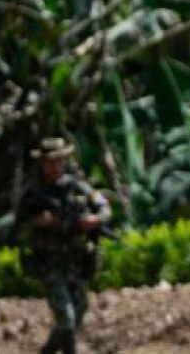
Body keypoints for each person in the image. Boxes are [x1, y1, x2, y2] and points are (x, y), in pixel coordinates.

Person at [15, 136, 112, 354]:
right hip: (49, 262)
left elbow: (104, 207)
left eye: (59, 161)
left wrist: (94, 220)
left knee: (78, 311)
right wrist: (37, 223)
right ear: (42, 164)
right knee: (65, 315)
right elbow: (17, 230)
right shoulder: (33, 194)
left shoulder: (77, 187)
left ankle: (49, 350)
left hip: (76, 261)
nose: (55, 167)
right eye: (50, 162)